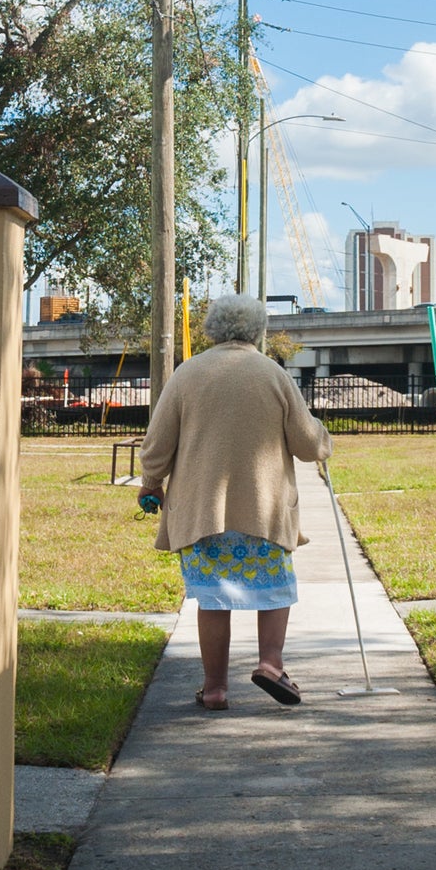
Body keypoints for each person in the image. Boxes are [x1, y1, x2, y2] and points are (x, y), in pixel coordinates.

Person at [137, 294, 330, 710]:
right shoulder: (272, 374)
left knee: (213, 598)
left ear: (212, 330)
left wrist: (151, 483)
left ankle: (215, 688)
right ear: (257, 330)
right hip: (264, 510)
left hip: (204, 511)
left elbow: (157, 444)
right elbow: (307, 442)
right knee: (275, 589)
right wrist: (322, 438)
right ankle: (271, 664)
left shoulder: (187, 375)